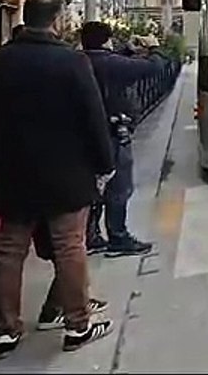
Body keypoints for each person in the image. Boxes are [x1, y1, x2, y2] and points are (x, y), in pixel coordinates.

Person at [0, 0, 116, 358]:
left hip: (12, 171)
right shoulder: (71, 63)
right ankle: (77, 324)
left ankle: (5, 330)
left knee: (9, 251)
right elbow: (93, 118)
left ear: (24, 16)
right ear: (56, 20)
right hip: (66, 173)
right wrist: (105, 163)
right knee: (69, 246)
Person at [80, 21, 160, 258]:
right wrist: (153, 48)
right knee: (119, 187)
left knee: (91, 188)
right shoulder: (112, 64)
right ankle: (118, 237)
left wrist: (126, 51)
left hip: (84, 137)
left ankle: (90, 235)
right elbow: (153, 68)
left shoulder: (77, 61)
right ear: (107, 41)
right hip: (114, 133)